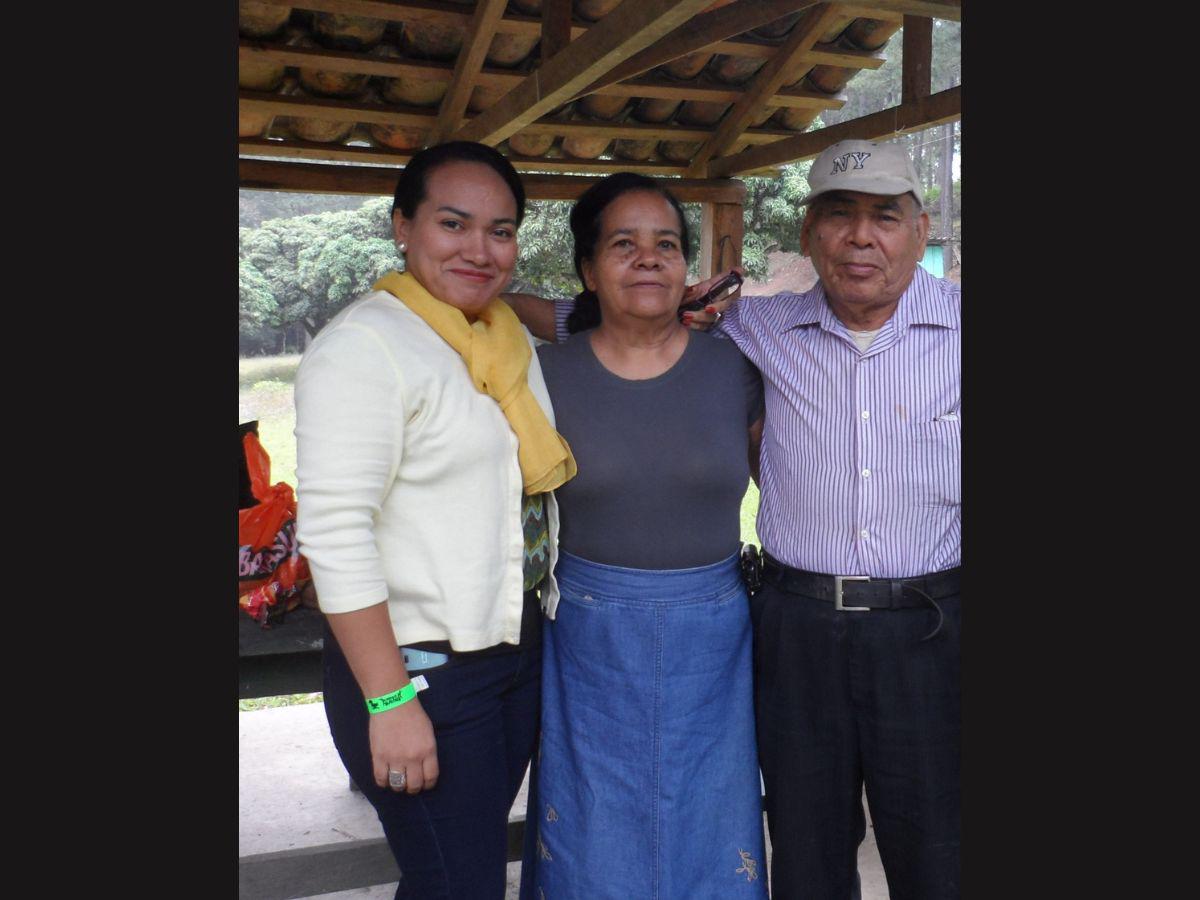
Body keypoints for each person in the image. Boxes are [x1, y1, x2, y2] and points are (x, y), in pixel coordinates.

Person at [513, 139, 961, 900]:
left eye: (885, 217)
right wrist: (495, 303)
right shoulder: (757, 328)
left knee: (940, 849)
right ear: (810, 232)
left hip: (931, 624)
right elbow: (618, 321)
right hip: (795, 627)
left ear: (920, 230)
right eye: (839, 216)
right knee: (806, 849)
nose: (862, 237)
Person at [293, 141, 576, 900]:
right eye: (454, 224)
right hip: (422, 669)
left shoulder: (500, 340)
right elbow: (334, 533)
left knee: (460, 875)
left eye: (501, 229)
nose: (480, 250)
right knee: (460, 882)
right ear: (402, 227)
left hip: (512, 647)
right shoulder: (367, 347)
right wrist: (388, 701)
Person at [526, 172, 768, 899]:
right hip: (589, 638)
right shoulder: (540, 375)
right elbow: (488, 306)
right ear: (587, 270)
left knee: (710, 831)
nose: (648, 259)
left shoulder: (739, 367)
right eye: (623, 244)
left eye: (666, 244)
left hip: (716, 637)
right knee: (591, 835)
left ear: (686, 268)